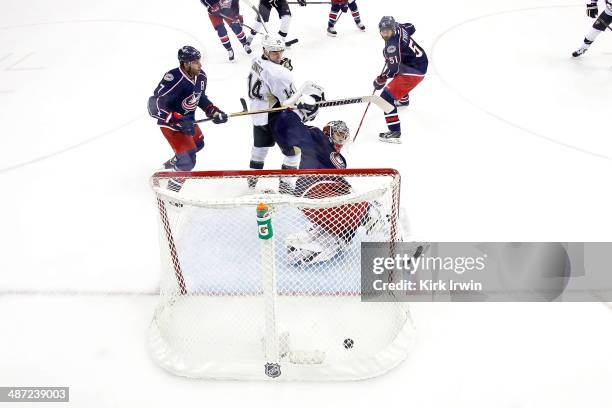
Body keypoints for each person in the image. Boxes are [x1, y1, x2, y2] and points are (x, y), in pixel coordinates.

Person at [274, 119, 384, 265]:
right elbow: (296, 129)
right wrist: (295, 113)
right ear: (328, 133)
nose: (342, 140)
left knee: (346, 226)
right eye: (339, 135)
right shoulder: (318, 139)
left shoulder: (339, 159)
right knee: (370, 211)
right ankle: (392, 248)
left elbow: (338, 182)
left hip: (318, 199)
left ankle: (328, 241)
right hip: (315, 192)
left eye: (344, 136)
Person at [147, 46, 228, 192]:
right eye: (196, 62)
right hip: (171, 125)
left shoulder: (201, 76)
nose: (200, 65)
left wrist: (213, 111)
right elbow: (154, 103)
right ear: (186, 64)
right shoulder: (173, 78)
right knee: (188, 161)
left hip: (189, 121)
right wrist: (176, 118)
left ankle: (176, 160)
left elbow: (200, 97)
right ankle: (171, 192)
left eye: (199, 61)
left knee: (199, 144)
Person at [246, 34, 319, 191]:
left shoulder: (256, 60)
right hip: (274, 115)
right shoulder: (279, 74)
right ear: (265, 50)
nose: (278, 55)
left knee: (260, 149)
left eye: (280, 51)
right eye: (274, 52)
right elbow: (288, 102)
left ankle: (251, 182)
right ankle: (285, 188)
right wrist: (305, 110)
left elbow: (267, 73)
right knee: (293, 151)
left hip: (257, 112)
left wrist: (280, 66)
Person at [373, 16, 428, 144]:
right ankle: (403, 100)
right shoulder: (399, 26)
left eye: (388, 31)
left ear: (393, 29)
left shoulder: (391, 46)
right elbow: (411, 27)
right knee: (399, 73)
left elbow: (393, 69)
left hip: (415, 71)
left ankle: (394, 132)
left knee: (385, 98)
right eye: (383, 31)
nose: (385, 34)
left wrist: (381, 79)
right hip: (419, 60)